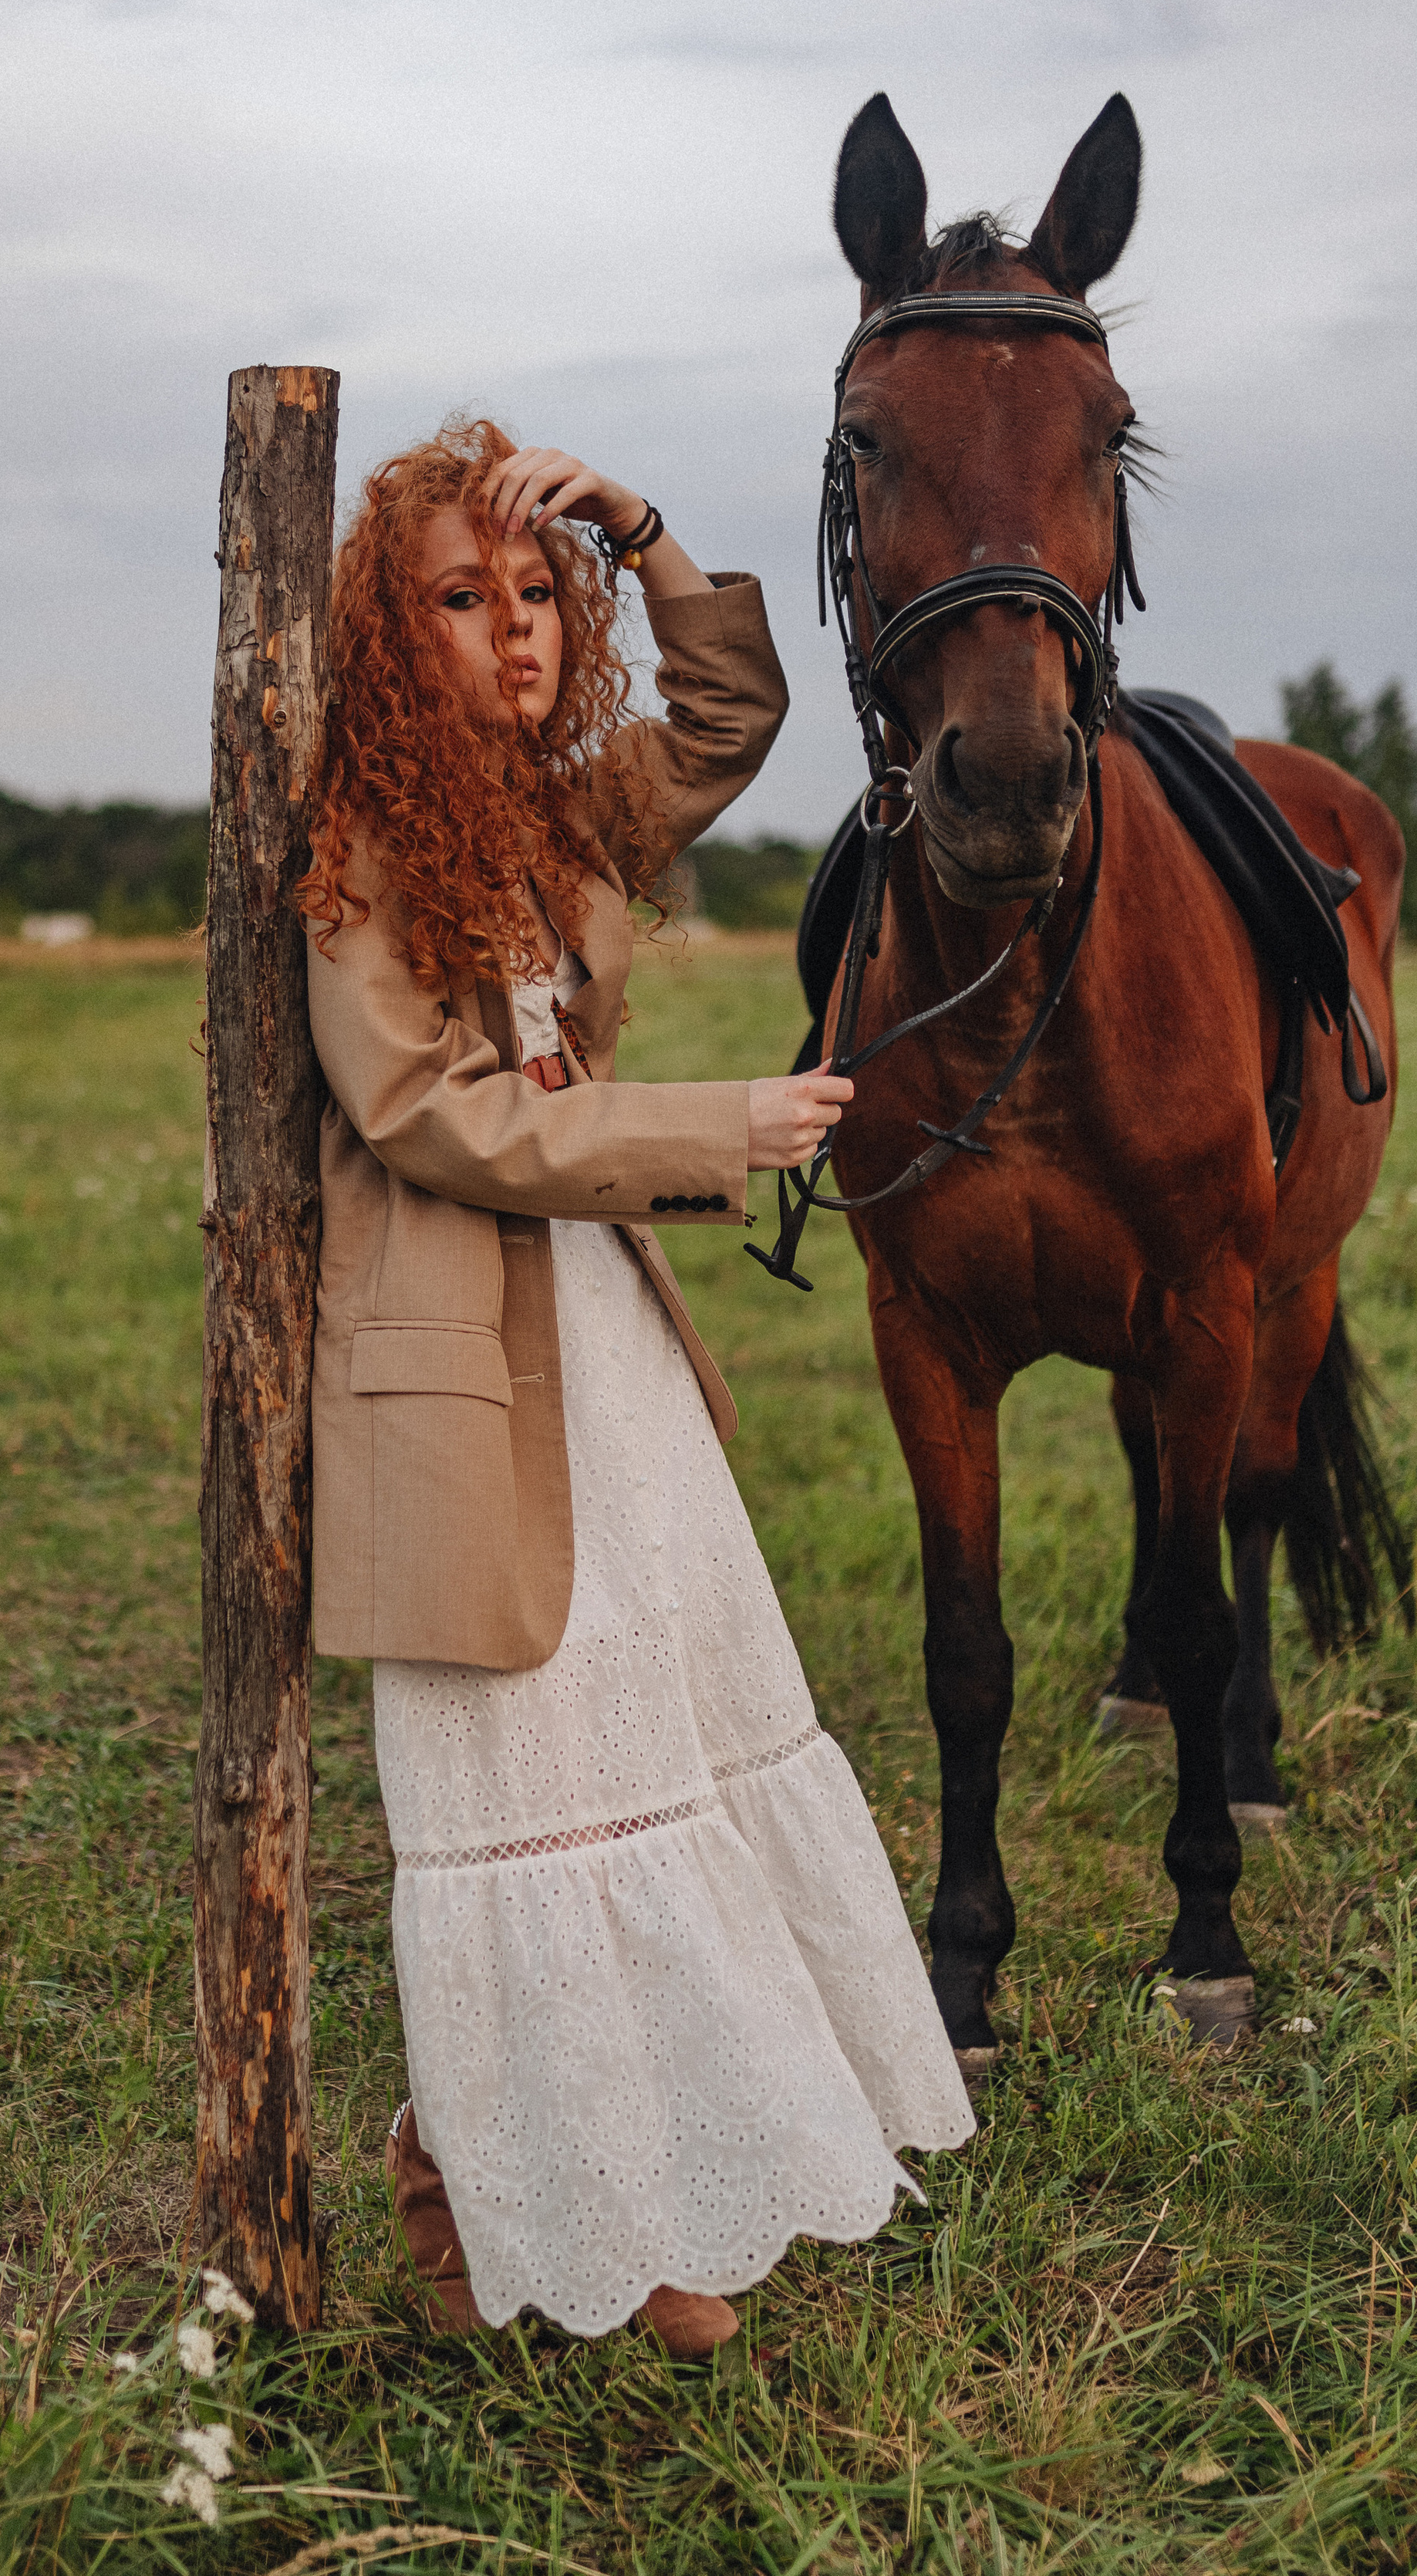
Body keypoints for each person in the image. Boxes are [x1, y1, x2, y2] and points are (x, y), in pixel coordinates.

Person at [299, 417, 973, 2359]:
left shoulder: (555, 813)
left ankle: (648, 2201)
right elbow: (430, 1110)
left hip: (606, 1341)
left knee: (653, 1739)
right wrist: (715, 1124)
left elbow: (732, 709)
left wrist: (643, 531)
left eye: (535, 598)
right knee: (533, 1767)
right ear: (378, 631)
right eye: (458, 598)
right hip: (459, 1361)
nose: (512, 634)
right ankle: (492, 2199)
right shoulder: (353, 849)